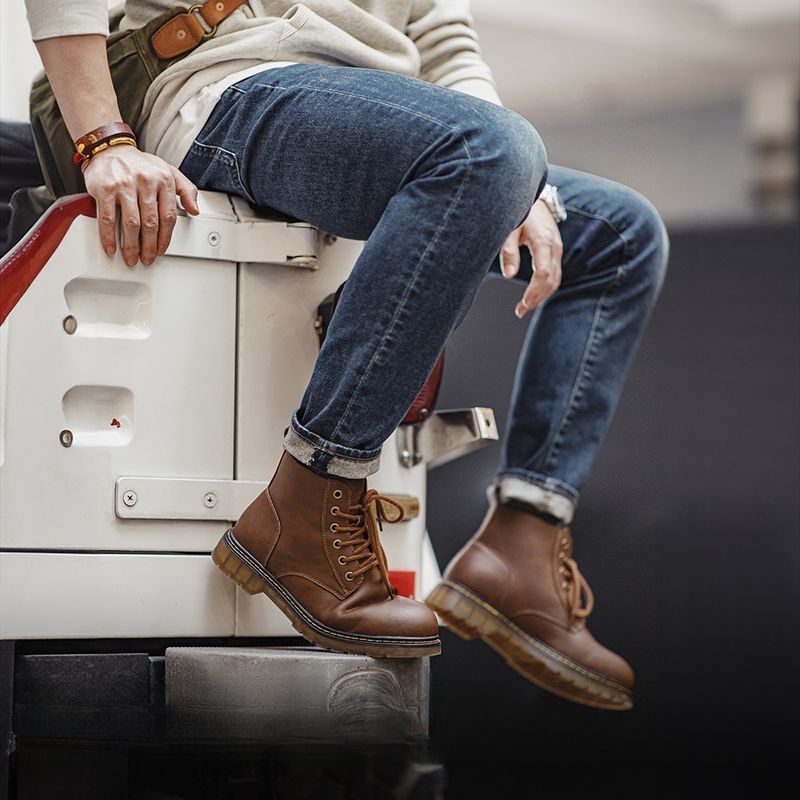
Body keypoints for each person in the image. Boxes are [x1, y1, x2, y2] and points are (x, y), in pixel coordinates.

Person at [23, 0, 668, 710]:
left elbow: (443, 37)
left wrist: (526, 186)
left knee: (620, 234)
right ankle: (313, 490)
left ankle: (524, 537)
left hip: (387, 114)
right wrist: (104, 142)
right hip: (229, 87)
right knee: (489, 151)